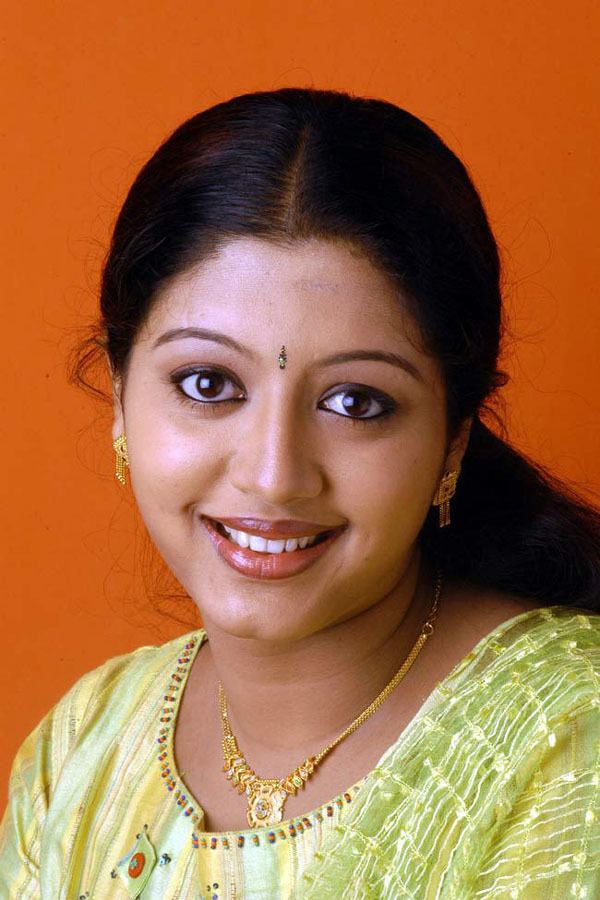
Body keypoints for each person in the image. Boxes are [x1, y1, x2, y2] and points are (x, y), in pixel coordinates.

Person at [1, 87, 599, 899]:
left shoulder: (565, 750)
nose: (275, 474)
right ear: (117, 396)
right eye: (208, 383)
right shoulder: (81, 750)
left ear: (454, 436)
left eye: (355, 402)